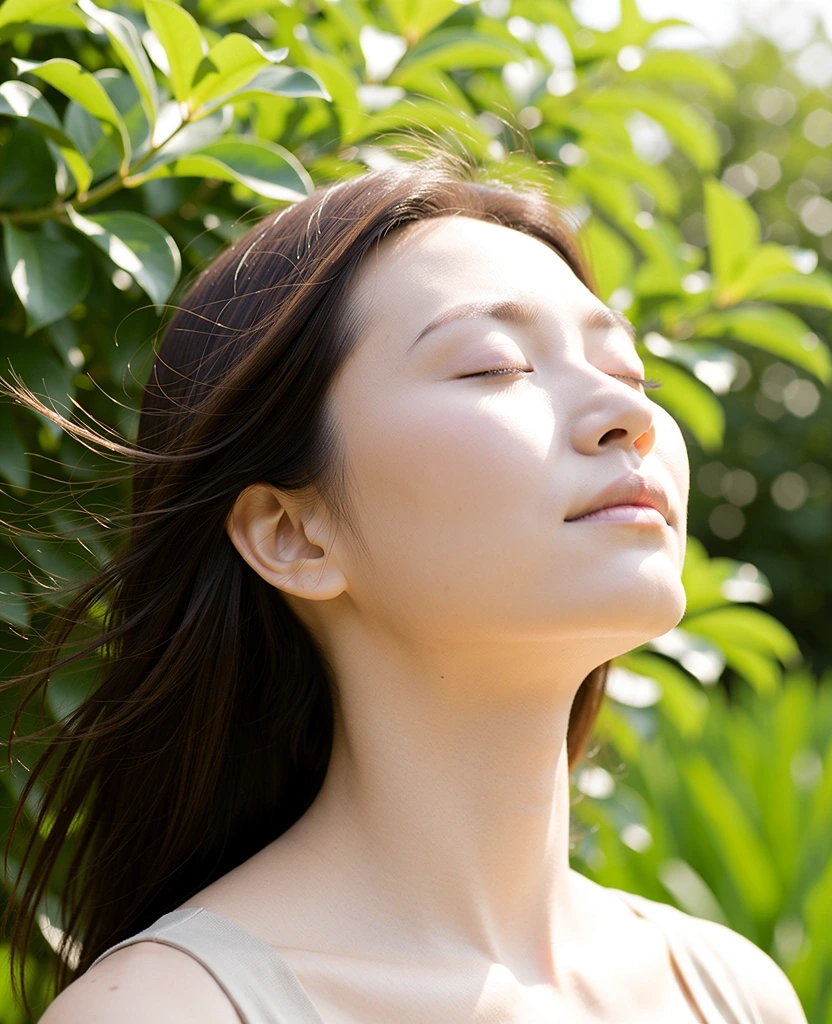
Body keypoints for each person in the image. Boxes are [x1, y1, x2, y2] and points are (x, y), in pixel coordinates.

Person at [2, 147, 806, 1024]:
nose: (632, 417)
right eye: (494, 365)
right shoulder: (167, 1011)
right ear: (294, 533)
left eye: (625, 373)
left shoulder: (731, 991)